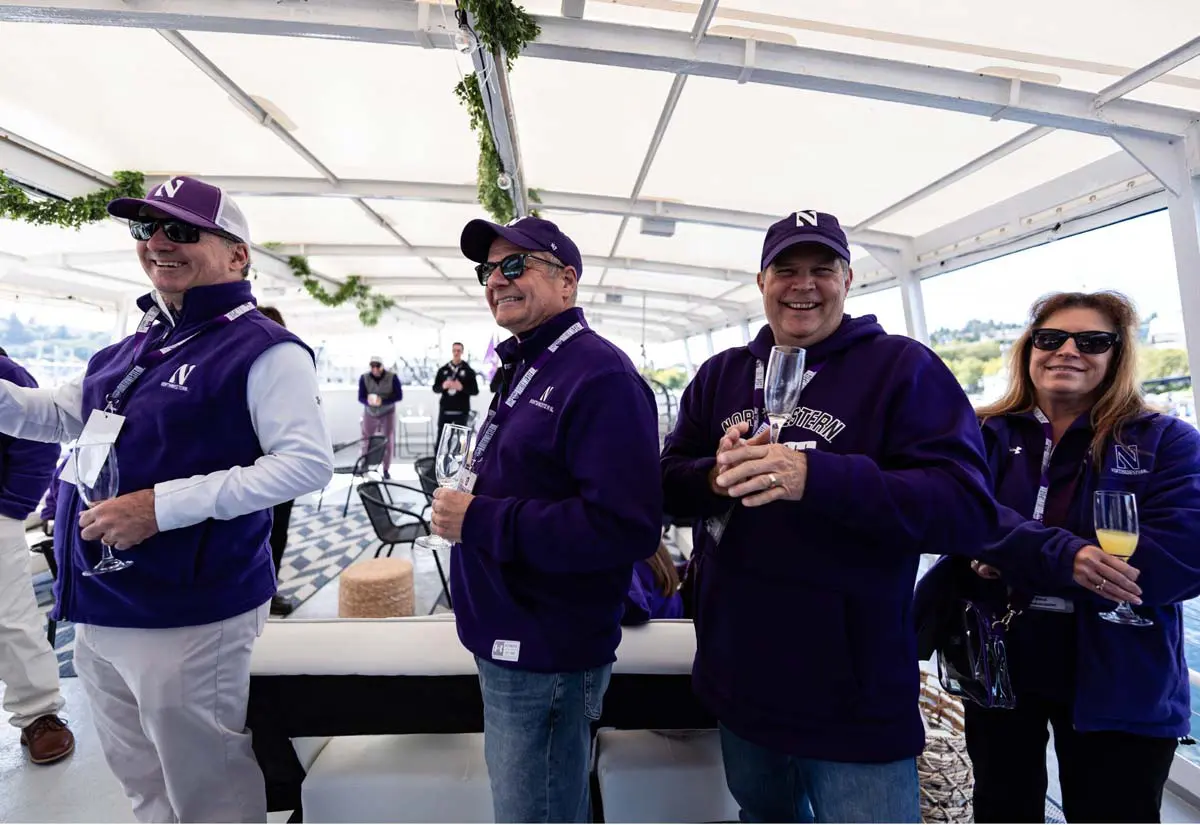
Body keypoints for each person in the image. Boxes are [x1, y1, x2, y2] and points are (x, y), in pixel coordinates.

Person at [0, 175, 334, 822]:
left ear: (238, 255)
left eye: (181, 230)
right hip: (100, 602)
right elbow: (52, 415)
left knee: (204, 783)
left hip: (188, 609)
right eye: (143, 229)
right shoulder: (132, 346)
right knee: (140, 777)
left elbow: (305, 464)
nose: (158, 243)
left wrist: (160, 506)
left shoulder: (263, 348)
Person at [660, 210, 996, 823]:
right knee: (765, 816)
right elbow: (664, 485)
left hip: (852, 690)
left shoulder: (903, 369)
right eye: (786, 270)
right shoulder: (721, 375)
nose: (803, 285)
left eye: (822, 269)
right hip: (742, 676)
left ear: (848, 279)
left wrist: (815, 477)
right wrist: (713, 475)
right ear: (761, 282)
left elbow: (964, 509)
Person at [430, 216, 662, 823]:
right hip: (511, 640)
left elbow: (624, 527)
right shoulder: (526, 364)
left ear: (567, 281)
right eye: (487, 271)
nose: (496, 281)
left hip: (546, 653)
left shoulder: (600, 376)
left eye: (515, 265)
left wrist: (480, 519)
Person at [962, 291, 1200, 824]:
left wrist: (1019, 555)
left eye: (1092, 341)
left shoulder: (1168, 442)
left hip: (1121, 670)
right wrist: (1067, 555)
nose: (1068, 350)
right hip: (1000, 660)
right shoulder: (982, 434)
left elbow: (1182, 557)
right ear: (1029, 349)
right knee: (1002, 809)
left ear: (1117, 356)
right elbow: (959, 518)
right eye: (1051, 338)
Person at [0, 350, 72, 765]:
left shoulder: (5, 373)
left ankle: (39, 714)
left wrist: (11, 507)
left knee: (11, 619)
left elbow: (38, 439)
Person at [258, 305, 299, 617]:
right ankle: (260, 591)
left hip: (280, 471)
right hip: (248, 472)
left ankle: (267, 590)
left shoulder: (287, 371)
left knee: (276, 532)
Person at [358, 355, 401, 479]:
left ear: (382, 366)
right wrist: (369, 402)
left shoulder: (392, 378)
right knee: (366, 438)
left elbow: (398, 396)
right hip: (370, 412)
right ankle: (364, 464)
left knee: (388, 439)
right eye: (373, 366)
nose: (375, 369)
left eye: (378, 366)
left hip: (387, 411)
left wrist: (383, 401)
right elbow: (360, 397)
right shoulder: (364, 378)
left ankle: (386, 469)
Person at [622, 540, 685, 624]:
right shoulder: (654, 548)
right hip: (675, 622)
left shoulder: (625, 559)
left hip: (648, 630)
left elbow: (635, 608)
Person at [432, 342, 479, 445]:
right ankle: (438, 459)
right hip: (445, 410)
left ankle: (460, 460)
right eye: (454, 350)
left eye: (458, 351)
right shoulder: (443, 370)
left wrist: (462, 387)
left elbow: (475, 391)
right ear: (452, 351)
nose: (456, 353)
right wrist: (443, 386)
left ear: (462, 352)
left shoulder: (468, 371)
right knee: (442, 438)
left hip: (462, 411)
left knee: (461, 440)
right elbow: (435, 388)